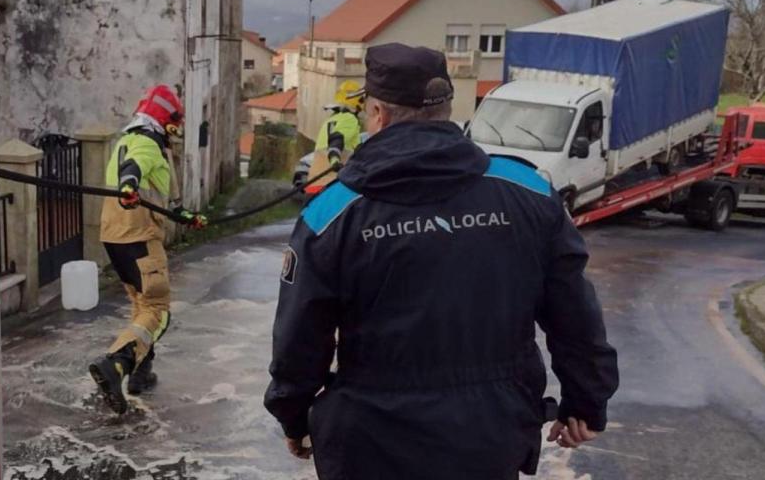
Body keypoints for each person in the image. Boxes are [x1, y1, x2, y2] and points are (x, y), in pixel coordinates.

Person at [264, 43, 619, 480]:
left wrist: (294, 415)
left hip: (373, 439)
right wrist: (586, 401)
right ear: (448, 109)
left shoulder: (333, 212)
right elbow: (574, 311)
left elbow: (300, 335)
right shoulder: (528, 192)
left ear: (376, 114)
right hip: (490, 433)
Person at [89, 85, 206, 415]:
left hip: (115, 234)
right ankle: (116, 364)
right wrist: (129, 184)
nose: (178, 129)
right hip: (139, 235)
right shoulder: (147, 144)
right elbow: (135, 169)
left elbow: (154, 191)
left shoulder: (126, 140)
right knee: (158, 310)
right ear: (165, 121)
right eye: (176, 121)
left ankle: (140, 372)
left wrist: (183, 215)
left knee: (141, 304)